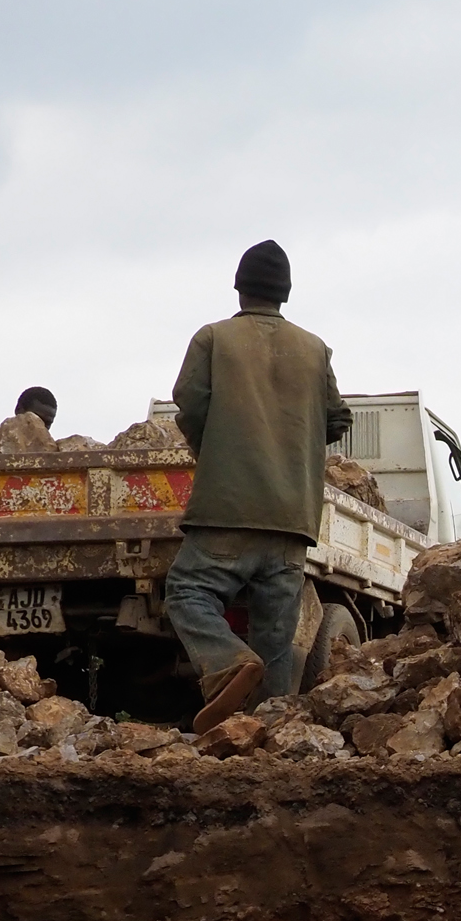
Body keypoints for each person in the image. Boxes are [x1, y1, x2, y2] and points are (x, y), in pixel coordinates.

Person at [166, 239, 351, 734]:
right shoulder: (315, 349)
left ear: (238, 286)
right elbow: (337, 420)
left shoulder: (213, 338)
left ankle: (226, 660)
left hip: (226, 508)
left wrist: (218, 449)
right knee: (274, 640)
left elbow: (191, 403)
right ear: (285, 293)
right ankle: (267, 740)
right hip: (292, 517)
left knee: (187, 592)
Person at [0, 386, 59, 450]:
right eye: (35, 418)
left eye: (47, 423)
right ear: (18, 410)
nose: (40, 425)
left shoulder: (55, 452)